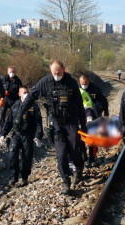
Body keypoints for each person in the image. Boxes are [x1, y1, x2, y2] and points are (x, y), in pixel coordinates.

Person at [14, 60, 87, 195]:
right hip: (56, 123)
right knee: (60, 155)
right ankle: (66, 181)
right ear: (50, 71)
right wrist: (20, 113)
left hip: (71, 121)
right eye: (54, 73)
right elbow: (30, 97)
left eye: (59, 73)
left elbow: (79, 104)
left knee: (74, 149)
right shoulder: (45, 82)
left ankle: (78, 167)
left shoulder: (71, 82)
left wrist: (83, 124)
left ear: (64, 69)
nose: (57, 75)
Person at [0, 85, 43, 187]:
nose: (26, 94)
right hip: (16, 135)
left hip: (28, 135)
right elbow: (9, 121)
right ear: (19, 94)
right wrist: (3, 134)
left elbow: (38, 123)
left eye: (27, 92)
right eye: (24, 93)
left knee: (27, 157)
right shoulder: (15, 105)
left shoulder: (34, 107)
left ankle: (24, 178)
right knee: (12, 154)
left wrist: (38, 136)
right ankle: (14, 177)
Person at [79, 74, 109, 165]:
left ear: (88, 81)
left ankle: (92, 158)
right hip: (82, 117)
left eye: (86, 83)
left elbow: (104, 100)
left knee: (92, 138)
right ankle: (83, 154)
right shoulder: (77, 90)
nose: (84, 85)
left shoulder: (95, 89)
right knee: (81, 137)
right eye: (82, 84)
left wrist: (106, 112)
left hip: (95, 116)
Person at [0, 66, 22, 133]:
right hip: (5, 100)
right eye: (10, 72)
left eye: (13, 72)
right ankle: (2, 129)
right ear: (7, 72)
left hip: (14, 100)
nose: (11, 73)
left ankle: (13, 129)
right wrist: (1, 95)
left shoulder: (18, 81)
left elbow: (20, 91)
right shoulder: (3, 79)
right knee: (1, 114)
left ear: (15, 72)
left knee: (14, 115)